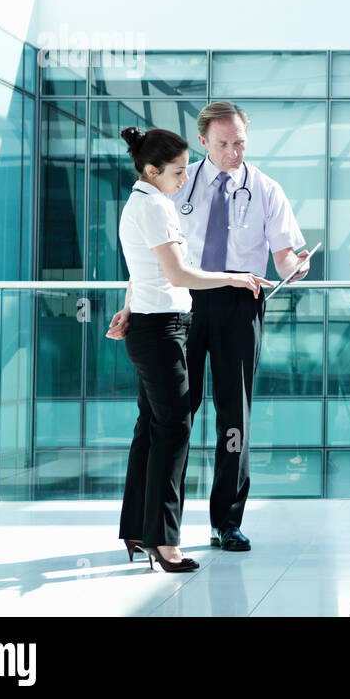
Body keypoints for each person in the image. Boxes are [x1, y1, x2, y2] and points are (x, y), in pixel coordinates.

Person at [109, 102, 310, 553]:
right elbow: (152, 257)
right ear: (204, 142)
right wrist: (132, 304)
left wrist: (294, 266)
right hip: (179, 303)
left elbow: (282, 257)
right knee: (167, 416)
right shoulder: (175, 183)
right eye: (223, 144)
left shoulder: (266, 189)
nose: (233, 152)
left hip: (240, 303)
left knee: (234, 415)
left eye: (240, 142)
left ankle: (227, 521)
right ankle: (150, 527)